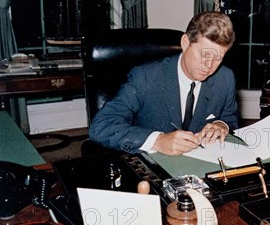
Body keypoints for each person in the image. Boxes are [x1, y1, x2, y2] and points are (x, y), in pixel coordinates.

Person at [89, 11, 239, 156]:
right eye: (203, 54)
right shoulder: (145, 77)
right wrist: (158, 141)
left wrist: (221, 125)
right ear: (185, 43)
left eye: (217, 58)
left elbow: (229, 118)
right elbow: (101, 127)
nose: (208, 65)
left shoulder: (225, 78)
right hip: (152, 165)